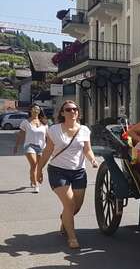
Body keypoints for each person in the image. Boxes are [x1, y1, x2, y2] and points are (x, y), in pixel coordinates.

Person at [37, 101, 99, 249]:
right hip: (58, 170)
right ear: (62, 113)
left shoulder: (84, 130)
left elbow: (87, 149)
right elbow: (47, 151)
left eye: (75, 109)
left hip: (78, 172)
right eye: (69, 109)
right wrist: (38, 169)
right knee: (69, 204)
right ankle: (72, 238)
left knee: (76, 206)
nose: (73, 112)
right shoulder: (54, 130)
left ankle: (65, 219)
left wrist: (92, 160)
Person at [14, 104, 48, 193]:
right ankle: (36, 185)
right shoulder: (25, 122)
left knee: (39, 166)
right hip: (29, 146)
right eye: (34, 108)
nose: (36, 110)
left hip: (41, 147)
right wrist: (16, 146)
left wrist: (51, 148)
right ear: (30, 110)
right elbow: (20, 135)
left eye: (37, 109)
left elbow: (48, 137)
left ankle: (33, 177)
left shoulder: (44, 123)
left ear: (40, 111)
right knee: (34, 164)